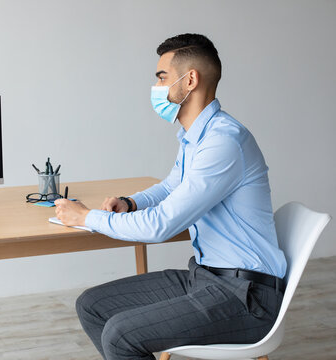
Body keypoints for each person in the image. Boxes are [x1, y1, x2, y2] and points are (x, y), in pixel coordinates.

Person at [54, 33, 287, 360]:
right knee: (92, 306)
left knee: (122, 334)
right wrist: (131, 203)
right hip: (205, 278)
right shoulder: (196, 137)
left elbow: (160, 226)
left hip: (247, 298)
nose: (157, 87)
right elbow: (171, 186)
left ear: (190, 80)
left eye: (162, 77)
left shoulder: (224, 142)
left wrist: (86, 217)